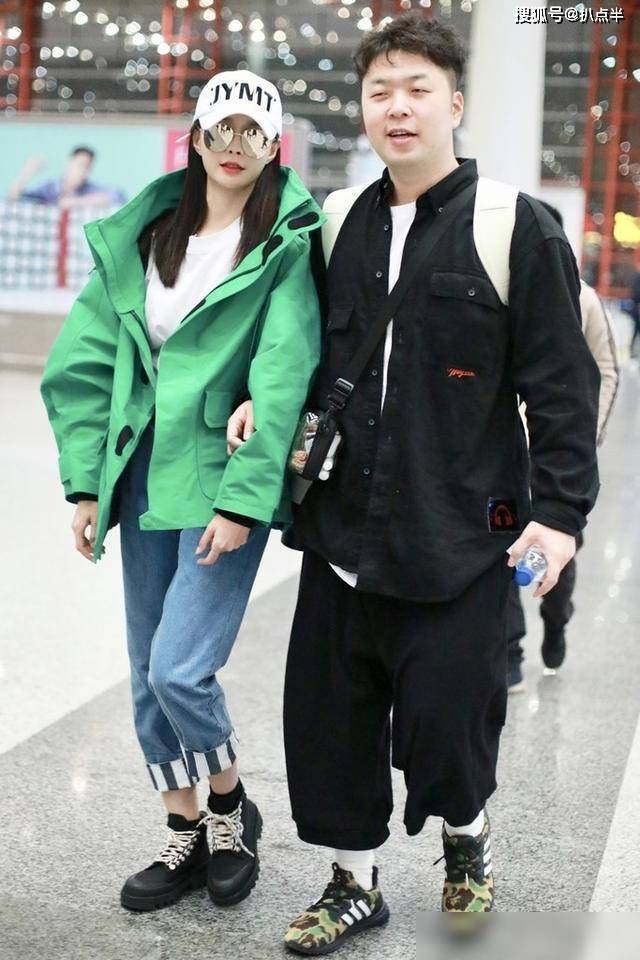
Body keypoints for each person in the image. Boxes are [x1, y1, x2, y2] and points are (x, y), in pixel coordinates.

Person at [228, 13, 599, 948]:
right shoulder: (338, 222)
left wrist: (559, 516)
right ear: (363, 108)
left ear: (454, 104)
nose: (398, 108)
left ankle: (466, 840)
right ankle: (353, 883)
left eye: (417, 90)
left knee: (447, 718)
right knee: (332, 721)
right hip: (343, 530)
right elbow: (297, 347)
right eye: (380, 92)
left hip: (461, 531)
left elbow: (563, 384)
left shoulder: (514, 226)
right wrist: (257, 399)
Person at [40, 69, 322, 913]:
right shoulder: (147, 236)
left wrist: (243, 500)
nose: (234, 146)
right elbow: (86, 364)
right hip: (139, 480)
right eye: (219, 129)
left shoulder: (285, 244)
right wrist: (87, 484)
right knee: (144, 673)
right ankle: (184, 825)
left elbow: (284, 372)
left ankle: (230, 808)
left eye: (252, 133)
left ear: (274, 147)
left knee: (180, 670)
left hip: (219, 482)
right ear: (194, 138)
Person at [507, 202, 619, 692]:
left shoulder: (584, 299)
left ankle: (556, 621)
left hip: (557, 451)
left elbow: (607, 370)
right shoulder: (504, 288)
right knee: (500, 547)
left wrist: (585, 437)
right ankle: (510, 651)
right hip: (504, 451)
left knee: (555, 549)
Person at [8, 145, 126, 208]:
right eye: (81, 165)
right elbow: (14, 198)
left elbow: (117, 196)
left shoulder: (89, 188)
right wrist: (27, 172)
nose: (84, 172)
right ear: (70, 162)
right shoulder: (49, 188)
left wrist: (75, 202)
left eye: (88, 168)